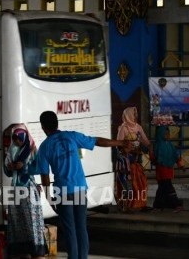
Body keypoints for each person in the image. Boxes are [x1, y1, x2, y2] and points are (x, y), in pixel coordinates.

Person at [36, 111, 131, 259]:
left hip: (63, 192)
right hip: (80, 189)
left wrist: (49, 198)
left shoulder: (44, 147)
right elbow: (97, 141)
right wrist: (119, 143)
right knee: (81, 228)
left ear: (43, 127)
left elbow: (44, 177)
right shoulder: (72, 136)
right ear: (57, 123)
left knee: (70, 230)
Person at [3, 127, 46, 259]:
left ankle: (35, 249)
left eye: (19, 140)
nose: (17, 143)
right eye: (15, 140)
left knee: (31, 220)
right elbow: (7, 170)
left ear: (24, 138)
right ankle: (20, 249)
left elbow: (38, 168)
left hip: (28, 188)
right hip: (16, 189)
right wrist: (9, 168)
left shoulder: (32, 150)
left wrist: (24, 167)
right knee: (17, 220)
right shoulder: (11, 150)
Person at [117, 106, 152, 211]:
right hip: (127, 162)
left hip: (137, 160)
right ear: (129, 115)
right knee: (127, 184)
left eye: (136, 114)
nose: (136, 116)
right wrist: (129, 149)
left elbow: (145, 141)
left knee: (141, 182)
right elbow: (118, 144)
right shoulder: (123, 128)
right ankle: (125, 206)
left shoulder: (138, 127)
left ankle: (141, 204)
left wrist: (150, 147)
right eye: (134, 114)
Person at [150, 125, 184, 212]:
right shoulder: (158, 145)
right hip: (161, 170)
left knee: (164, 187)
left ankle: (159, 206)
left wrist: (181, 165)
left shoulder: (169, 145)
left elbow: (175, 156)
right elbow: (154, 159)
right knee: (166, 187)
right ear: (160, 134)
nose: (168, 136)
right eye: (165, 134)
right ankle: (175, 205)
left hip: (168, 170)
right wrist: (152, 155)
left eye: (168, 134)